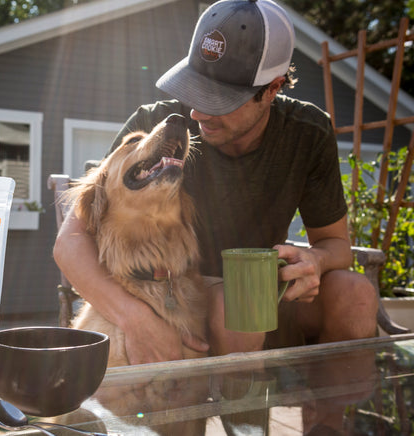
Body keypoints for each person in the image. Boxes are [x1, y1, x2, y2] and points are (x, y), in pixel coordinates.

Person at [54, 0, 377, 405]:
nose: (197, 111)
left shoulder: (308, 133)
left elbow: (337, 246)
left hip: (267, 294)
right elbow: (70, 242)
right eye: (195, 87)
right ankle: (244, 427)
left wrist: (316, 261)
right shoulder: (159, 124)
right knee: (235, 306)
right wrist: (134, 320)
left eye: (220, 97)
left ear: (273, 88)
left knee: (356, 294)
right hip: (184, 296)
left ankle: (329, 427)